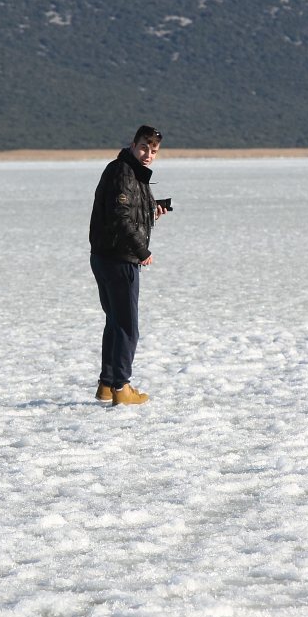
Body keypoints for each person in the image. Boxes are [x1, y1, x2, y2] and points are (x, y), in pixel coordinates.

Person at [89, 125, 169, 406]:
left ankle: (107, 385)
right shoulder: (124, 172)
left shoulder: (129, 172)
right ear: (133, 145)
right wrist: (142, 250)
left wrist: (151, 210)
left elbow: (125, 211)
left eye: (153, 151)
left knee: (115, 322)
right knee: (127, 326)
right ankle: (122, 387)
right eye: (144, 148)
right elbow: (120, 217)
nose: (148, 154)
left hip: (106, 255)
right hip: (118, 257)